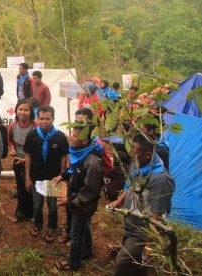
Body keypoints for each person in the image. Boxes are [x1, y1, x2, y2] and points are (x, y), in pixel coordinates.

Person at [112, 134, 174, 276]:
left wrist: (149, 245)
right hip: (131, 223)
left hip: (142, 232)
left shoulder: (160, 180)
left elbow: (156, 216)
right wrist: (119, 201)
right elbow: (130, 187)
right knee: (137, 266)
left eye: (135, 151)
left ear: (148, 155)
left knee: (122, 265)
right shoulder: (138, 165)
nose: (131, 154)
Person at [54, 116, 105, 272]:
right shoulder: (80, 152)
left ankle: (74, 262)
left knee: (75, 233)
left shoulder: (93, 162)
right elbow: (74, 169)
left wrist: (69, 201)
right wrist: (63, 175)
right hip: (77, 200)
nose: (71, 137)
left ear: (84, 140)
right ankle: (87, 251)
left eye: (75, 136)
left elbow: (89, 191)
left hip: (82, 204)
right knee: (85, 226)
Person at [24, 105, 69, 241]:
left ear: (53, 119)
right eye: (41, 118)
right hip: (36, 178)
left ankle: (52, 228)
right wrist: (27, 177)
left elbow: (63, 156)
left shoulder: (59, 137)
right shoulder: (32, 135)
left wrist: (62, 174)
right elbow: (28, 156)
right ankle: (38, 225)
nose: (44, 122)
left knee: (52, 206)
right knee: (37, 206)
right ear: (37, 119)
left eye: (47, 119)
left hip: (53, 178)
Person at [8, 99, 37, 222]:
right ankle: (20, 211)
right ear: (16, 110)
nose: (22, 112)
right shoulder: (13, 126)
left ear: (31, 112)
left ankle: (33, 212)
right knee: (20, 187)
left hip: (33, 161)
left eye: (26, 109)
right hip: (18, 161)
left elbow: (39, 147)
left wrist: (26, 160)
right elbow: (11, 141)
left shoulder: (35, 127)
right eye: (20, 109)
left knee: (31, 187)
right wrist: (12, 149)